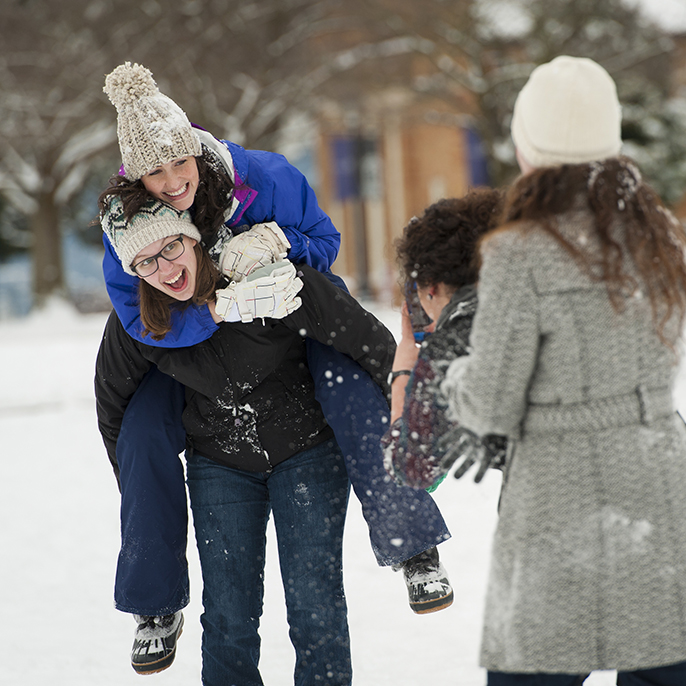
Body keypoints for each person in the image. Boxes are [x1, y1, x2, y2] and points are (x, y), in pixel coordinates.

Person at [97, 62, 452, 673]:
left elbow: (327, 252)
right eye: (154, 173)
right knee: (143, 424)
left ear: (197, 151)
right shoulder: (134, 233)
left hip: (290, 308)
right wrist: (216, 304)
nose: (171, 180)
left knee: (345, 381)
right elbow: (133, 322)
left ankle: (412, 538)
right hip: (198, 369)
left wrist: (274, 249)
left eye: (179, 162)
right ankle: (154, 600)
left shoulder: (263, 179)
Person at [438, 56, 686, 685]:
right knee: (663, 660)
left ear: (529, 146)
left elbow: (493, 400)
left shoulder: (521, 252)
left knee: (536, 672)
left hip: (559, 493)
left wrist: (454, 375)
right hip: (659, 476)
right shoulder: (661, 236)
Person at [95, 196, 397, 685]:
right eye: (145, 261)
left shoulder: (263, 276)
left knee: (315, 607)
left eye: (171, 248)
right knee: (229, 620)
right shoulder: (138, 321)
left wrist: (411, 418)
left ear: (194, 239)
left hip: (308, 448)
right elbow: (116, 409)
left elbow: (365, 339)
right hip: (220, 460)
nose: (165, 269)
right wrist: (136, 487)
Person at [382, 190, 508, 492]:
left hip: (543, 520)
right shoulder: (533, 311)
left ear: (431, 288)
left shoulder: (450, 346)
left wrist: (402, 379)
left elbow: (415, 468)